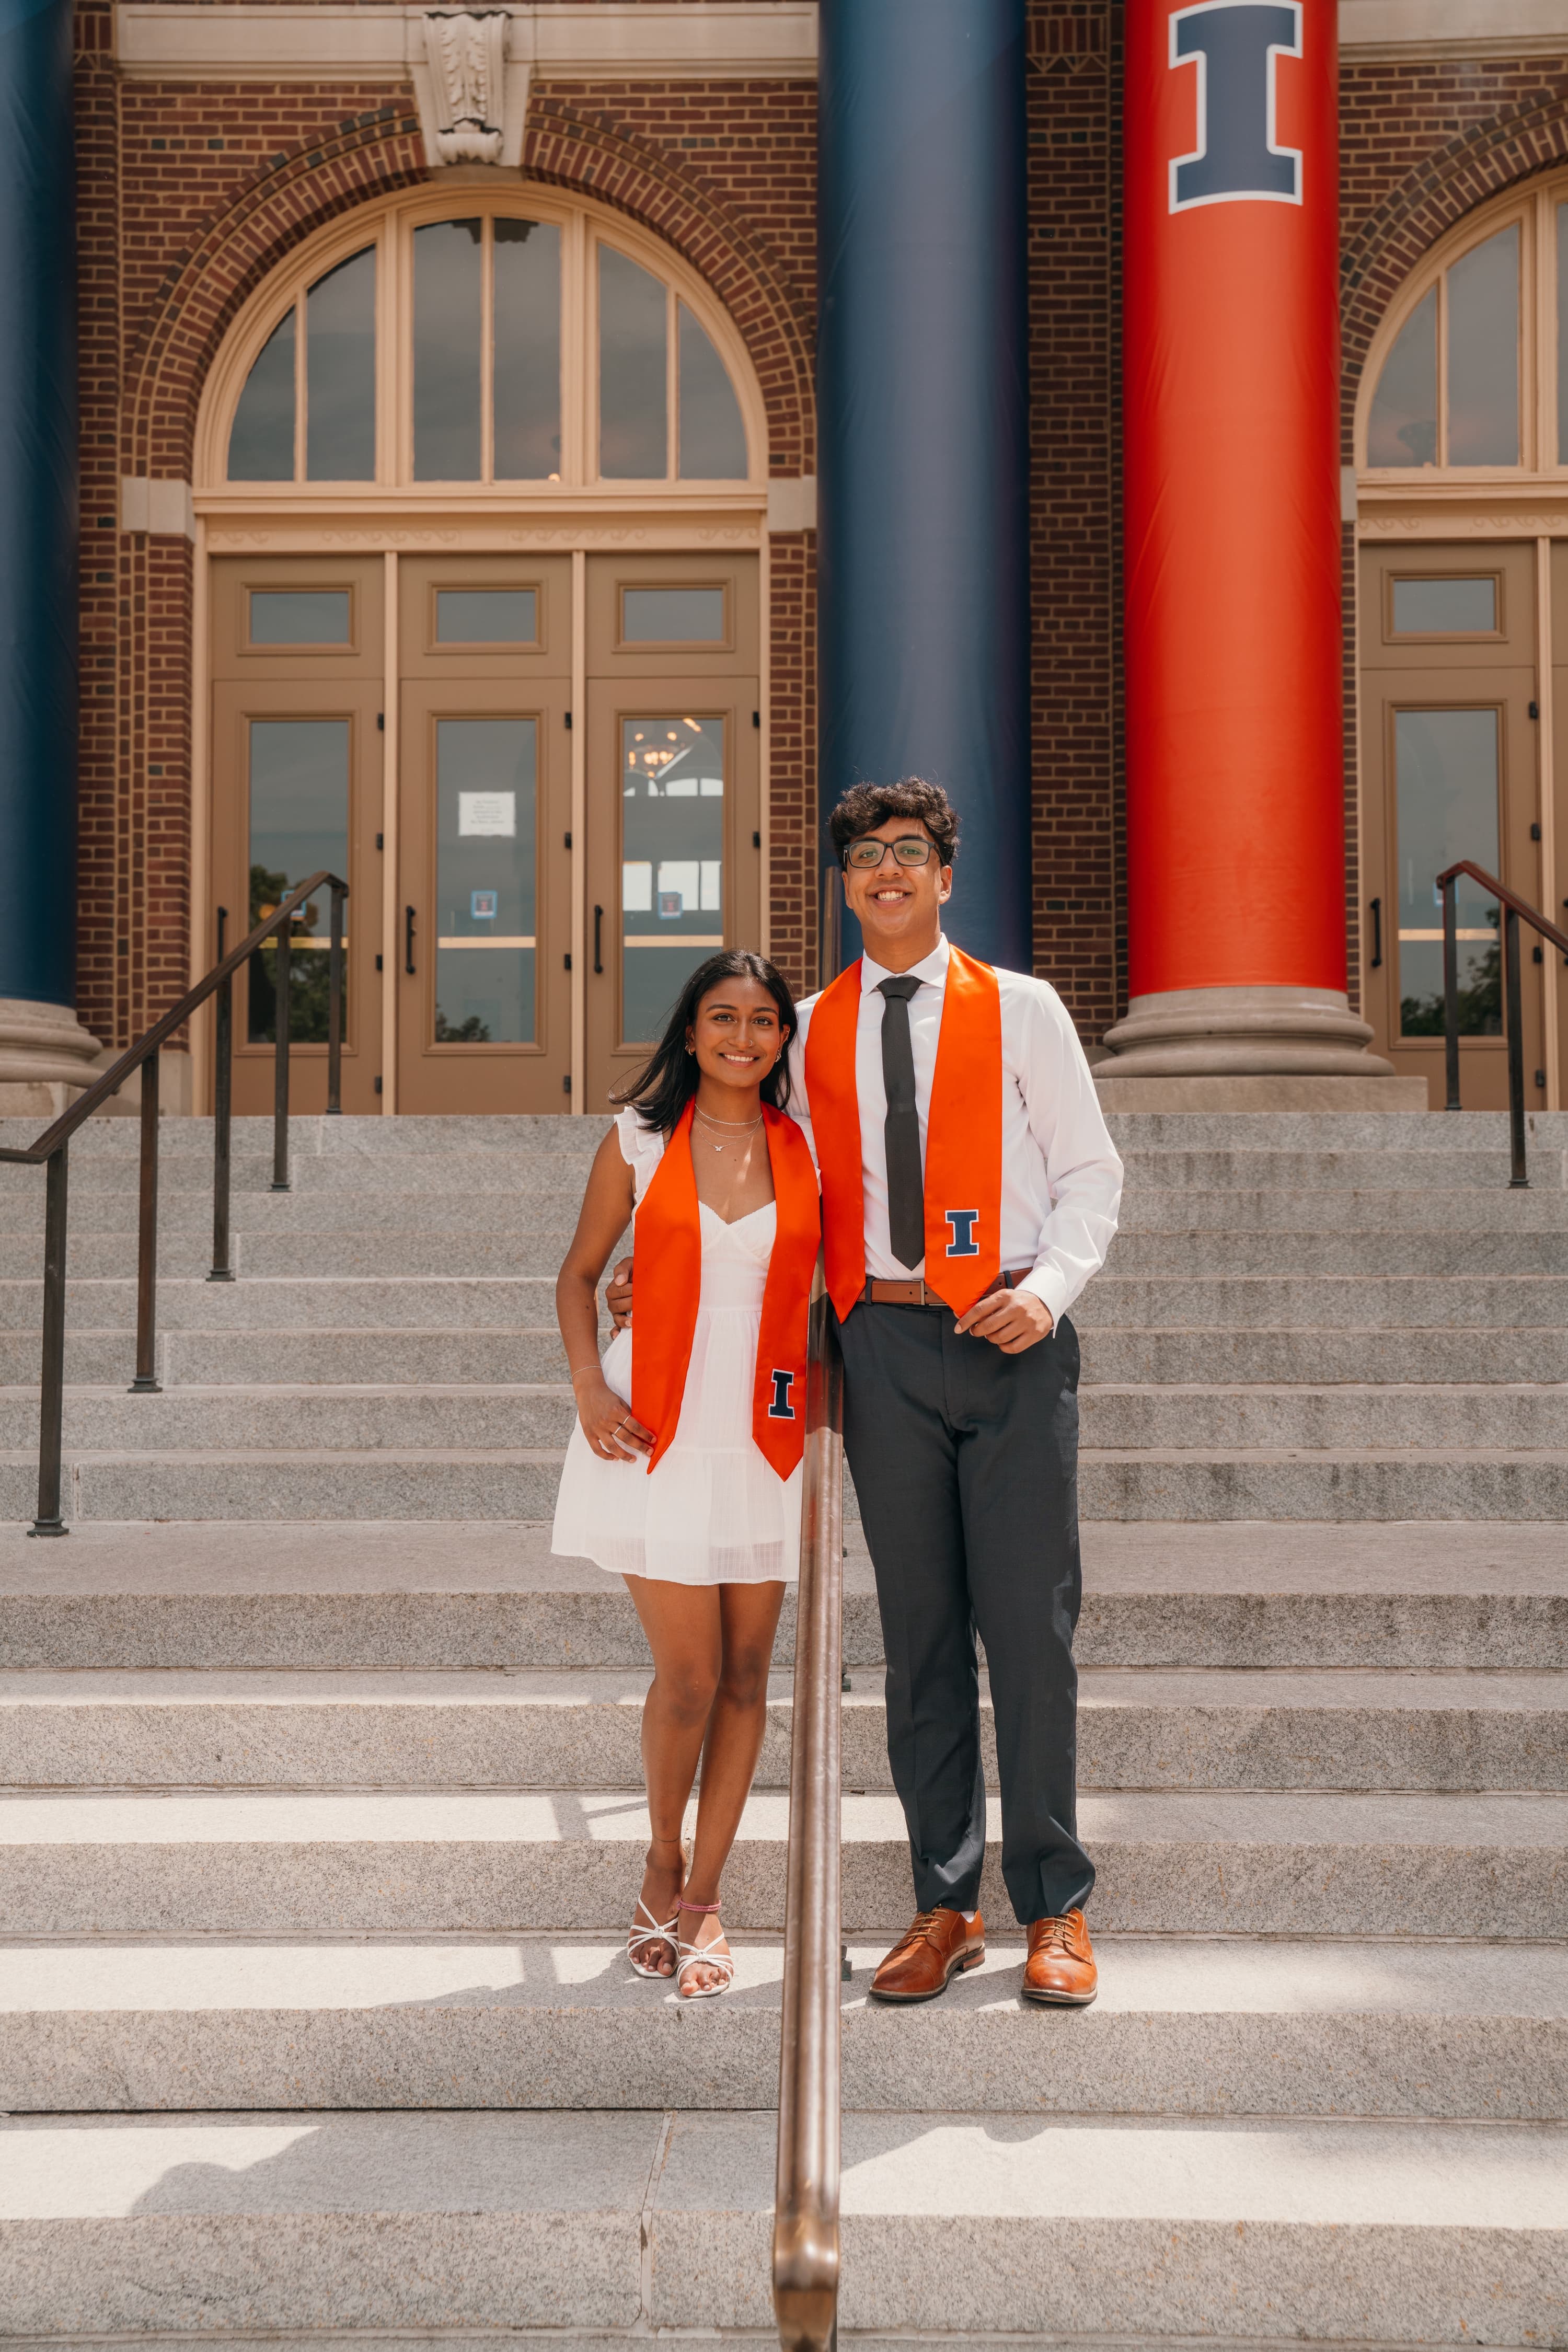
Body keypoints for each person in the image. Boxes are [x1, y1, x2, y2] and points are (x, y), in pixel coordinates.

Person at [608, 779, 1122, 2005]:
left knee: (1029, 1635)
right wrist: (651, 1246)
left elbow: (1091, 1175)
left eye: (909, 852)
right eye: (863, 856)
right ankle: (945, 1903)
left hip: (1008, 1332)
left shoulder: (1026, 1010)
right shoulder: (810, 1028)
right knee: (921, 1641)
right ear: (842, 885)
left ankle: (1055, 1906)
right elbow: (745, 1155)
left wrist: (1046, 1289)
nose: (886, 870)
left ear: (947, 875)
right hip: (879, 1350)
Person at [552, 951, 820, 2000]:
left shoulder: (809, 1150)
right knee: (692, 1677)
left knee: (752, 1676)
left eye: (764, 1022)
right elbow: (580, 1275)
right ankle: (660, 1857)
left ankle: (705, 1895)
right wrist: (588, 1384)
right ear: (691, 1030)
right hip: (652, 1428)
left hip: (764, 1432)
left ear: (783, 1040)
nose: (743, 1039)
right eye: (723, 1018)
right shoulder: (640, 1139)